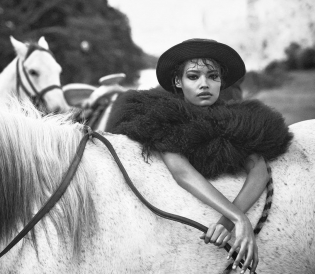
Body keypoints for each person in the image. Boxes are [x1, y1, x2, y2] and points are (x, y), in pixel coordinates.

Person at [106, 39, 293, 274]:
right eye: (193, 77)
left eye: (213, 76)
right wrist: (239, 219)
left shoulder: (238, 120)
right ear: (178, 81)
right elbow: (181, 171)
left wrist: (228, 221)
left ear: (221, 81)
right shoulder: (163, 116)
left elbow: (258, 167)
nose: (204, 84)